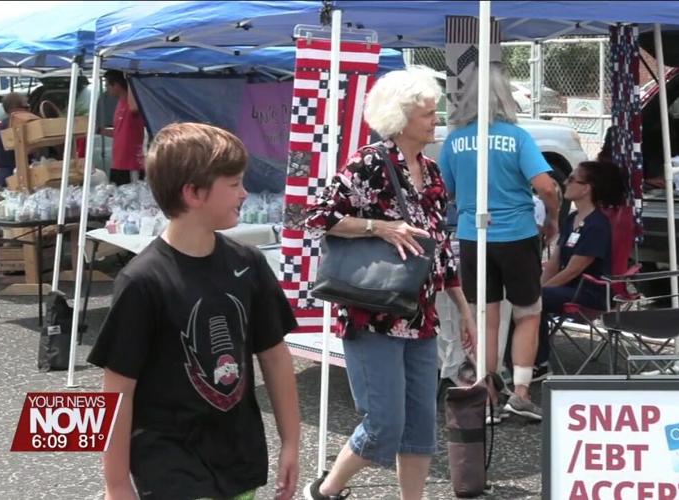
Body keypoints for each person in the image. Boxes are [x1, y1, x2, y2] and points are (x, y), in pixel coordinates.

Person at [88, 122, 301, 500]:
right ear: (194, 193)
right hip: (170, 463)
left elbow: (275, 355)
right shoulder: (142, 281)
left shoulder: (248, 264)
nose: (245, 193)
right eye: (234, 184)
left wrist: (291, 443)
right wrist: (116, 483)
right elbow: (117, 390)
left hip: (238, 458)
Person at [304, 66, 476, 500]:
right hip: (372, 313)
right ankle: (324, 492)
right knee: (384, 424)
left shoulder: (434, 172)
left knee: (420, 427)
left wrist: (465, 311)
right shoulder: (369, 163)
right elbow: (317, 218)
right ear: (400, 119)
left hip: (421, 318)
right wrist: (379, 228)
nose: (436, 120)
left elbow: (441, 249)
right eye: (427, 114)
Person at [438, 63, 560, 423]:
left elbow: (444, 190)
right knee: (528, 313)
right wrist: (552, 218)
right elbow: (547, 186)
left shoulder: (454, 140)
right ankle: (520, 392)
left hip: (472, 235)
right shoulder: (517, 137)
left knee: (484, 317)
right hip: (518, 233)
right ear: (506, 97)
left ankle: (486, 395)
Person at [537, 160, 626, 363]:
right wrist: (537, 285)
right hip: (567, 288)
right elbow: (554, 261)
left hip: (590, 292)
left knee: (532, 300)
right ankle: (523, 356)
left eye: (571, 179)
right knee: (525, 295)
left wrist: (537, 291)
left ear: (586, 188)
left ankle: (538, 360)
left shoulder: (597, 225)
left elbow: (572, 270)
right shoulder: (572, 218)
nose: (565, 183)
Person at [101, 70, 145, 185]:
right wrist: (101, 131)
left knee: (133, 198)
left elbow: (134, 108)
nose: (107, 89)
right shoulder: (119, 103)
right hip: (118, 163)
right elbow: (119, 132)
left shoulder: (132, 103)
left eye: (107, 85)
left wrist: (129, 78)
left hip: (131, 164)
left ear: (116, 85)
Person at [0, 92, 29, 187]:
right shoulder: (18, 127)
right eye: (26, 106)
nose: (28, 110)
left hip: (2, 176)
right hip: (15, 177)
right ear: (14, 107)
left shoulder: (0, 127)